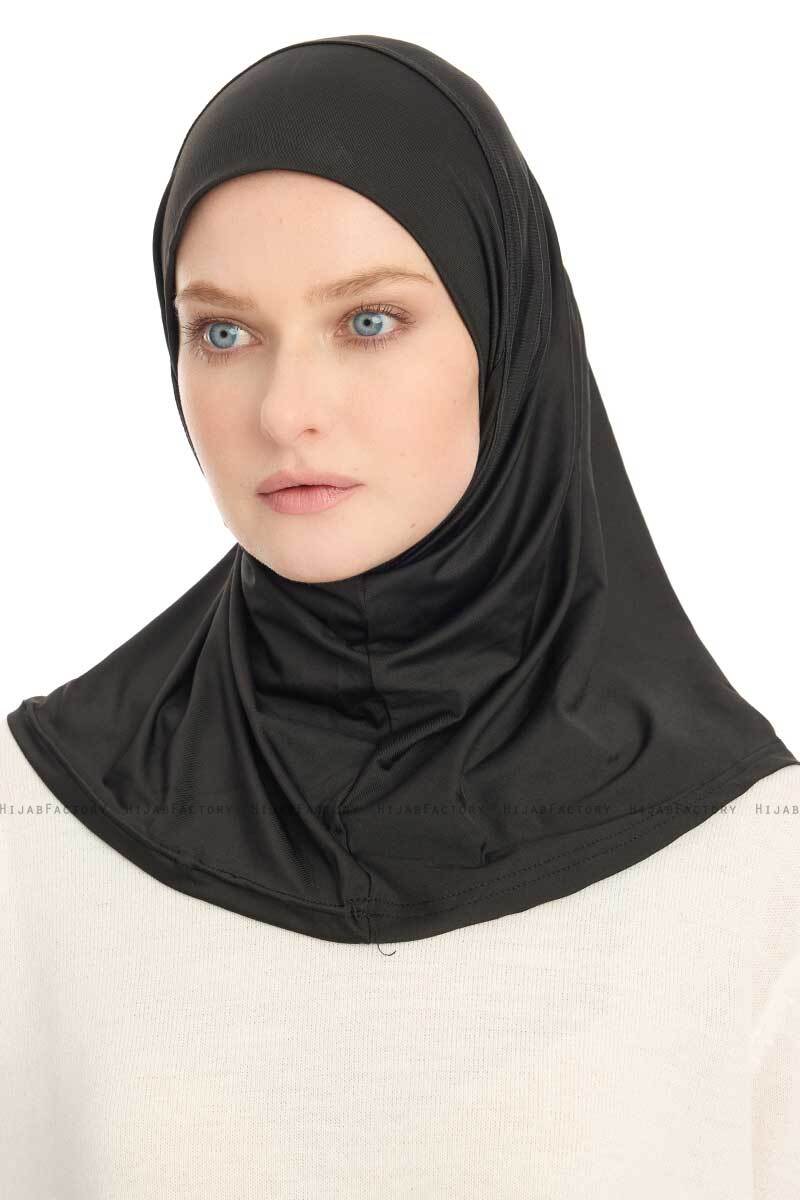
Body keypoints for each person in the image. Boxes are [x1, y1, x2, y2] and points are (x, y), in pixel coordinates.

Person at [2, 32, 798, 1199]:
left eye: (367, 321)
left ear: (504, 335)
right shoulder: (34, 830)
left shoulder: (757, 865)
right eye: (222, 331)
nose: (284, 409)